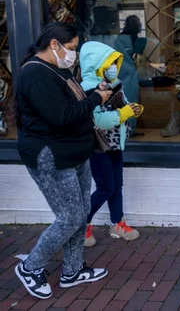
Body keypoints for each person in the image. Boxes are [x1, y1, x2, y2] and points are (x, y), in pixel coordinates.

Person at [13, 22, 111, 300]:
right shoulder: (35, 74)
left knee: (79, 215)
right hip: (51, 156)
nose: (74, 54)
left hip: (74, 151)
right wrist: (95, 98)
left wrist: (96, 93)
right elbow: (62, 116)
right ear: (54, 45)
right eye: (71, 48)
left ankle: (73, 269)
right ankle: (31, 267)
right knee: (70, 217)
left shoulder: (57, 69)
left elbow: (73, 103)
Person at [80, 41, 143, 247]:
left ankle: (118, 223)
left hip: (115, 145)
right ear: (96, 65)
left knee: (117, 186)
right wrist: (124, 113)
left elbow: (120, 109)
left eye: (115, 63)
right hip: (97, 147)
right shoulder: (88, 89)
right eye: (109, 64)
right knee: (105, 187)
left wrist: (131, 111)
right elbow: (97, 120)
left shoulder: (115, 85)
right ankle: (82, 225)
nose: (113, 68)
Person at [113, 15, 141, 105]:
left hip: (130, 76)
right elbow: (123, 60)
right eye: (137, 23)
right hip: (125, 77)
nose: (140, 25)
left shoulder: (133, 38)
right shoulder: (123, 39)